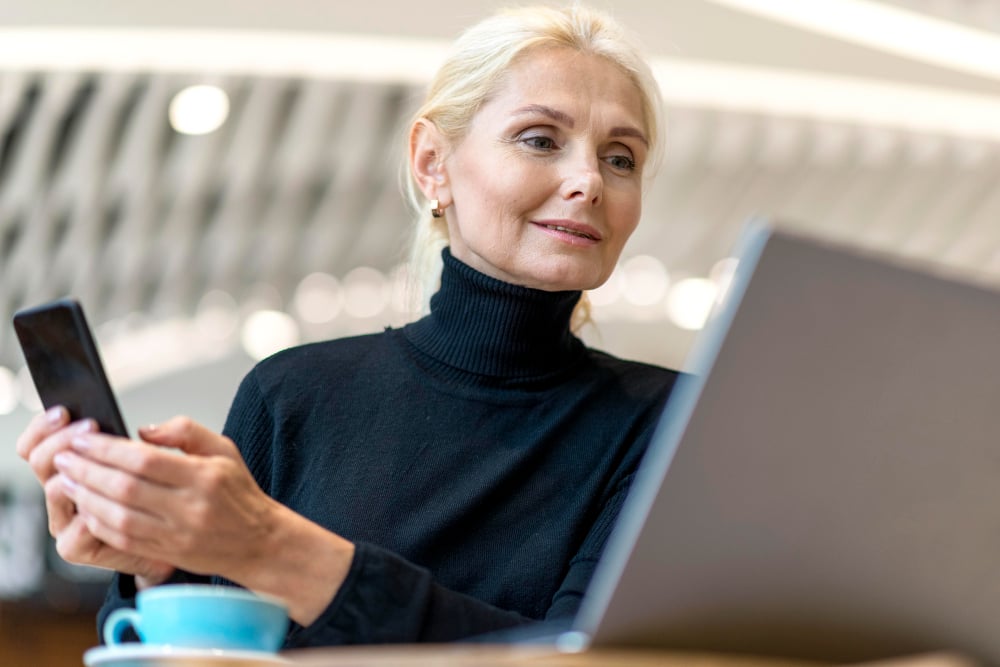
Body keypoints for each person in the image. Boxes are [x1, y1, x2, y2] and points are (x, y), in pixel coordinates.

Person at [16, 3, 680, 647]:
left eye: (620, 157)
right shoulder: (291, 397)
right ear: (432, 164)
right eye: (541, 140)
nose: (589, 180)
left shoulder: (672, 423)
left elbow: (590, 657)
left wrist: (273, 548)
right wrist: (157, 567)